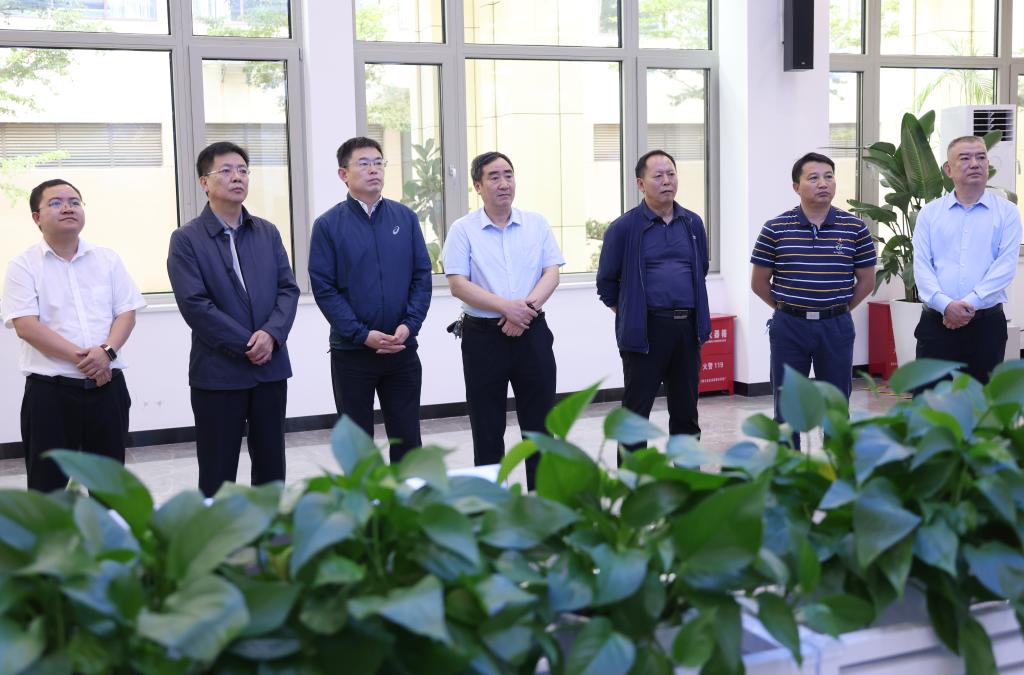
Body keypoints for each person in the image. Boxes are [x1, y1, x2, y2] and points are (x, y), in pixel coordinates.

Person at [167, 141, 299, 497]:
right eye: (225, 171)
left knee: (272, 465)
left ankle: (269, 529)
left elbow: (288, 290)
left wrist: (270, 335)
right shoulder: (186, 239)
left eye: (242, 170)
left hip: (270, 368)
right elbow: (195, 305)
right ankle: (217, 531)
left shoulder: (267, 231)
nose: (237, 177)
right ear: (204, 182)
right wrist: (247, 344)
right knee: (218, 470)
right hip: (219, 373)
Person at [2, 179, 145, 491]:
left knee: (110, 488)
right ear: (37, 217)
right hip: (50, 395)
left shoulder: (108, 259)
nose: (67, 207)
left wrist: (106, 353)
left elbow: (127, 313)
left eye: (74, 202)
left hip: (108, 389)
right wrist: (91, 361)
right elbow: (26, 326)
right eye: (56, 203)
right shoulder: (23, 265)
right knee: (47, 490)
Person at [443, 151, 563, 488]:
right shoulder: (463, 229)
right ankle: (491, 504)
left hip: (532, 333)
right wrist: (507, 309)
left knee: (540, 426)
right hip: (483, 338)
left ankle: (543, 502)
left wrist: (524, 311)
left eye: (508, 175)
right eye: (494, 177)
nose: (503, 183)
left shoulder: (536, 223)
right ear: (477, 186)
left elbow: (551, 273)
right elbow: (458, 284)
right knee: (487, 426)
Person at [309, 137, 431, 462]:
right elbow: (325, 289)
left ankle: (407, 496)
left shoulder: (405, 218)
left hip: (401, 349)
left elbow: (422, 276)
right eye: (363, 164)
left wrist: (409, 326)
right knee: (358, 446)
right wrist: (362, 335)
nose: (374, 169)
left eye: (378, 162)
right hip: (353, 353)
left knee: (408, 441)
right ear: (343, 174)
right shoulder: (328, 226)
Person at [750, 152, 875, 446]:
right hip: (789, 327)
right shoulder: (775, 228)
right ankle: (788, 467)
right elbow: (759, 283)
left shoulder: (854, 228)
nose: (823, 183)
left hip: (836, 327)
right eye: (814, 178)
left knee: (836, 405)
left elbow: (867, 281)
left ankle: (835, 465)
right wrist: (788, 309)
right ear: (797, 187)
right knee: (786, 407)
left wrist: (837, 309)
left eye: (829, 177)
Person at [596, 149, 710, 458]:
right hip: (645, 330)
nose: (666, 181)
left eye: (671, 174)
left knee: (686, 413)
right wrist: (631, 312)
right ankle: (632, 481)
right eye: (658, 176)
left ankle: (687, 478)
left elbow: (700, 268)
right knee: (635, 415)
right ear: (640, 183)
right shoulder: (624, 228)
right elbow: (606, 283)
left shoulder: (692, 223)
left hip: (686, 328)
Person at [913, 135, 1022, 383]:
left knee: (980, 401)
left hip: (986, 328)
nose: (975, 163)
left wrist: (967, 305)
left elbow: (1005, 267)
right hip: (936, 325)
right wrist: (946, 306)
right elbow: (922, 266)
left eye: (981, 157)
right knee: (930, 401)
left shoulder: (1007, 213)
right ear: (948, 169)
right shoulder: (930, 214)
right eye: (965, 158)